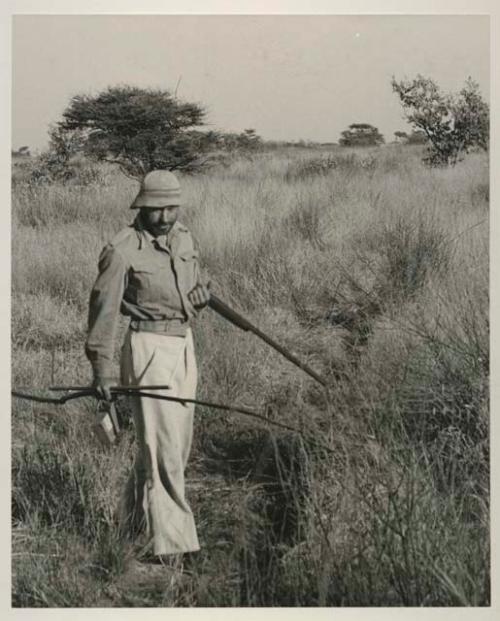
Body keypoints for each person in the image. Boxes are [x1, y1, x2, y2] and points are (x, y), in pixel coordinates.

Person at [85, 170, 210, 564]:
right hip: (148, 349)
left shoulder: (184, 238)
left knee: (168, 446)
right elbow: (103, 314)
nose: (165, 216)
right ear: (141, 206)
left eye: (171, 207)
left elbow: (186, 291)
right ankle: (176, 545)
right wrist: (102, 370)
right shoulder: (122, 250)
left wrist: (199, 296)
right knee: (166, 449)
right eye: (157, 209)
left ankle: (132, 525)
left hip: (184, 345)